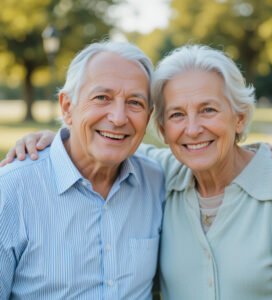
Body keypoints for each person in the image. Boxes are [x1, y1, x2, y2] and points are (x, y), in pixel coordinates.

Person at [1, 45, 272, 299]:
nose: (118, 118)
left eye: (208, 109)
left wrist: (266, 161)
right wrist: (59, 139)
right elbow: (101, 143)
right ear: (164, 129)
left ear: (240, 117)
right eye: (177, 114)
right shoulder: (13, 190)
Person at [0, 41, 165, 299]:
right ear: (67, 107)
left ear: (148, 116)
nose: (119, 118)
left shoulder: (157, 181)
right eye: (102, 98)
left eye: (135, 103)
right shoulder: (11, 190)